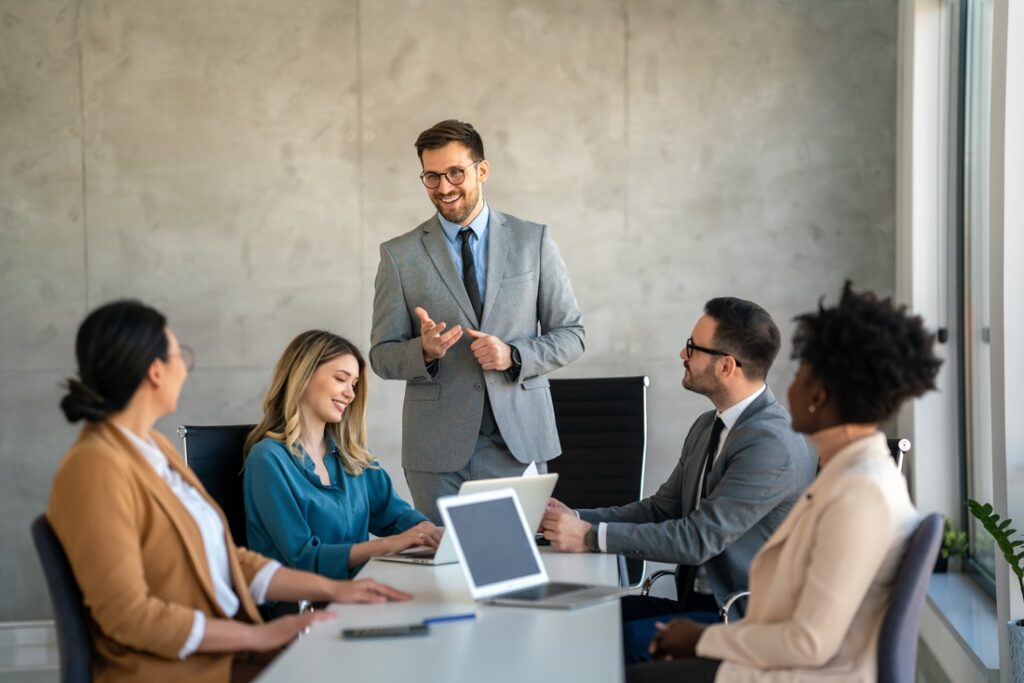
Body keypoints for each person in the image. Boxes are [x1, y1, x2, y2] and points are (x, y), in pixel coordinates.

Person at [48, 301, 410, 683]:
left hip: (226, 646)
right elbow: (129, 616)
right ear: (155, 371)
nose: (186, 368)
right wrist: (256, 636)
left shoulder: (153, 449)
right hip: (179, 667)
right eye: (180, 355)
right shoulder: (95, 466)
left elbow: (224, 558)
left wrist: (336, 589)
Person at [632, 282, 942, 683]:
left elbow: (808, 643)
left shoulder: (860, 494)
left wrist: (702, 639)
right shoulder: (849, 476)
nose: (788, 386)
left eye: (801, 372)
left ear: (819, 395)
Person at [541, 297, 816, 663]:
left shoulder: (772, 445)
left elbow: (697, 539)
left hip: (741, 620)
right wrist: (577, 518)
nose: (682, 354)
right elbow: (661, 509)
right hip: (697, 603)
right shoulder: (708, 426)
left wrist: (591, 537)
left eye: (692, 347)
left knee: (619, 643)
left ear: (726, 366)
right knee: (582, 617)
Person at [369, 119, 586, 522]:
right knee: (446, 561)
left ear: (481, 170)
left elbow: (572, 335)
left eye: (455, 173)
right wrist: (423, 352)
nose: (444, 187)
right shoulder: (399, 256)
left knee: (513, 558)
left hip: (516, 443)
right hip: (436, 454)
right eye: (432, 177)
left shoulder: (533, 241)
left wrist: (514, 355)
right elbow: (381, 356)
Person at [243, 331, 441, 594]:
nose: (350, 394)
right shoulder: (268, 460)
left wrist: (430, 531)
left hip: (361, 592)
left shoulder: (353, 455)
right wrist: (387, 545)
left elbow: (395, 514)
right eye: (340, 379)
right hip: (306, 604)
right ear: (303, 377)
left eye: (354, 384)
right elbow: (303, 558)